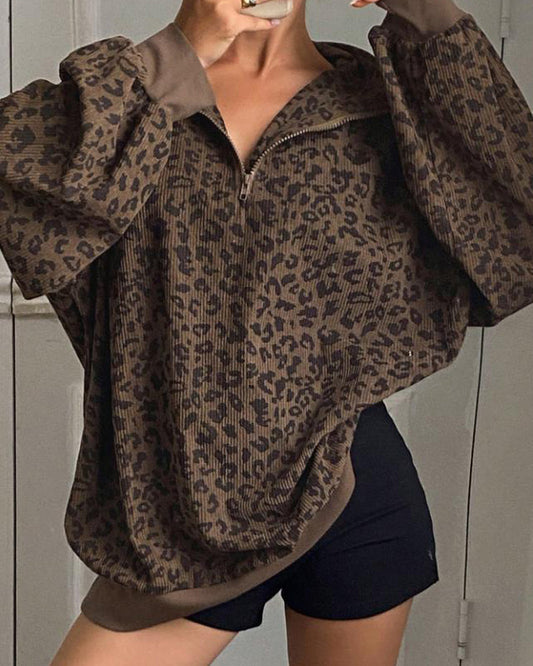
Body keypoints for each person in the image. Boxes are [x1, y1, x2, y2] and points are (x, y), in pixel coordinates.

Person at [1, 0, 532, 664]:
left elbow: (515, 218)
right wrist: (179, 51)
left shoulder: (380, 105)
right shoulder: (128, 102)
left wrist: (424, 9)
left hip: (351, 488)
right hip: (175, 517)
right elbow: (17, 181)